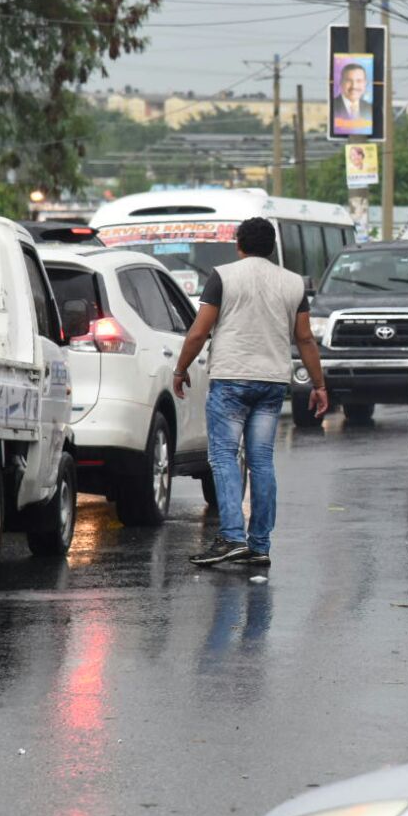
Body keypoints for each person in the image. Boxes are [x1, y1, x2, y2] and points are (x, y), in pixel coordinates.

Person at [174, 218, 327, 568]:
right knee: (260, 461)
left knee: (225, 457)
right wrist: (318, 385)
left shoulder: (223, 276)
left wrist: (181, 369)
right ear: (272, 247)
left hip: (230, 378)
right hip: (273, 382)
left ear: (238, 244)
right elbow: (304, 338)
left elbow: (199, 332)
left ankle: (231, 537)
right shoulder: (293, 283)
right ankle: (259, 545)